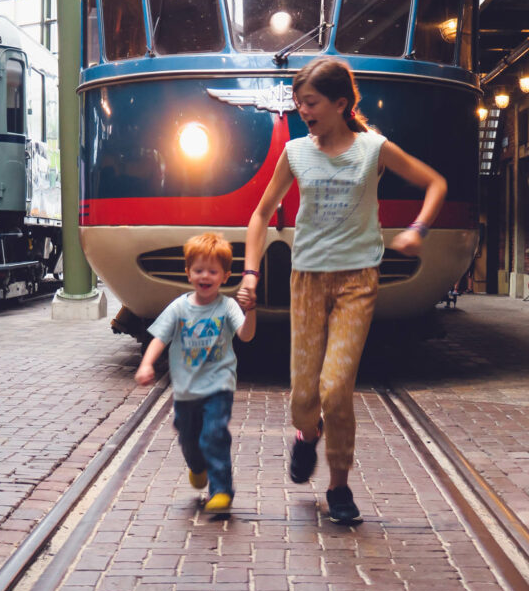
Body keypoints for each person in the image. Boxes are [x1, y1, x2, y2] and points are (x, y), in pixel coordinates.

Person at [237, 57, 447, 525]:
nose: (302, 111)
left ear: (340, 103)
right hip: (307, 279)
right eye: (298, 103)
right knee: (303, 398)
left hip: (357, 280)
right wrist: (250, 273)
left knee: (336, 389)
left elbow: (434, 183)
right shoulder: (295, 153)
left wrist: (417, 229)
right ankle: (305, 435)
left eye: (310, 103)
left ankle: (339, 485)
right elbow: (260, 214)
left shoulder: (373, 149)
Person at [135, 232, 256, 514]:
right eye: (199, 270)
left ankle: (222, 491)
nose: (205, 276)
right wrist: (147, 364)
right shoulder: (179, 308)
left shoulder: (227, 307)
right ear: (188, 272)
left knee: (213, 434)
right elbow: (160, 338)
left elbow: (246, 336)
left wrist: (250, 311)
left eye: (213, 271)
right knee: (189, 439)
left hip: (219, 386)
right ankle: (197, 466)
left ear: (225, 276)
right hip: (186, 391)